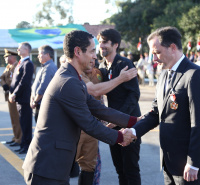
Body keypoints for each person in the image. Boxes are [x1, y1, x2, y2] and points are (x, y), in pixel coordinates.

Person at [22, 30, 137, 185]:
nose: (95, 56)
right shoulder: (68, 81)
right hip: (47, 169)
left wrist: (133, 121)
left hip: (53, 167)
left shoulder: (71, 77)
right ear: (77, 52)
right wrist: (121, 137)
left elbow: (97, 108)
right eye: (91, 51)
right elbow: (89, 123)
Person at [123, 26, 200, 185]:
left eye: (157, 52)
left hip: (190, 167)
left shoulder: (194, 75)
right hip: (169, 163)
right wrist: (134, 131)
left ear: (173, 47)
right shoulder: (163, 75)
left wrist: (193, 162)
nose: (154, 59)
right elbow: (156, 113)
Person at [76, 60, 137, 185]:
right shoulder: (77, 74)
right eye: (90, 56)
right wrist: (121, 78)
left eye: (94, 59)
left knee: (89, 166)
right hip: (77, 128)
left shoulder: (98, 73)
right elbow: (94, 91)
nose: (91, 61)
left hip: (93, 129)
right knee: (65, 165)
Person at [98, 28, 142, 185]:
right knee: (120, 169)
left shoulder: (125, 64)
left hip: (129, 123)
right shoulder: (102, 67)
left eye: (104, 42)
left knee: (130, 169)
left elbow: (134, 96)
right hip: (112, 124)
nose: (101, 45)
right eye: (100, 42)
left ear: (115, 44)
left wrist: (117, 119)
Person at [9, 42, 34, 154]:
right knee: (22, 123)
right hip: (19, 98)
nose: (18, 50)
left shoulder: (28, 63)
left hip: (24, 98)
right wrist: (11, 92)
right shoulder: (20, 63)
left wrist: (15, 93)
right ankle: (23, 144)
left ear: (27, 50)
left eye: (20, 48)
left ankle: (27, 145)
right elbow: (15, 81)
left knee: (26, 123)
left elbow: (24, 82)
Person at [0, 49, 22, 146]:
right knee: (13, 118)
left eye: (6, 56)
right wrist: (4, 84)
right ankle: (15, 137)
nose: (5, 58)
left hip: (14, 95)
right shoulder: (9, 67)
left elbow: (15, 81)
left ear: (12, 57)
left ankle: (19, 139)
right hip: (9, 95)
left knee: (17, 118)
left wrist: (6, 85)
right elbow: (2, 78)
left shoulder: (17, 66)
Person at [30, 45, 57, 122]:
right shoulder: (44, 67)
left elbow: (43, 87)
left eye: (40, 54)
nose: (38, 56)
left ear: (47, 54)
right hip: (39, 103)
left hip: (43, 104)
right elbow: (36, 85)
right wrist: (32, 97)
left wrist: (35, 101)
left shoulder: (49, 67)